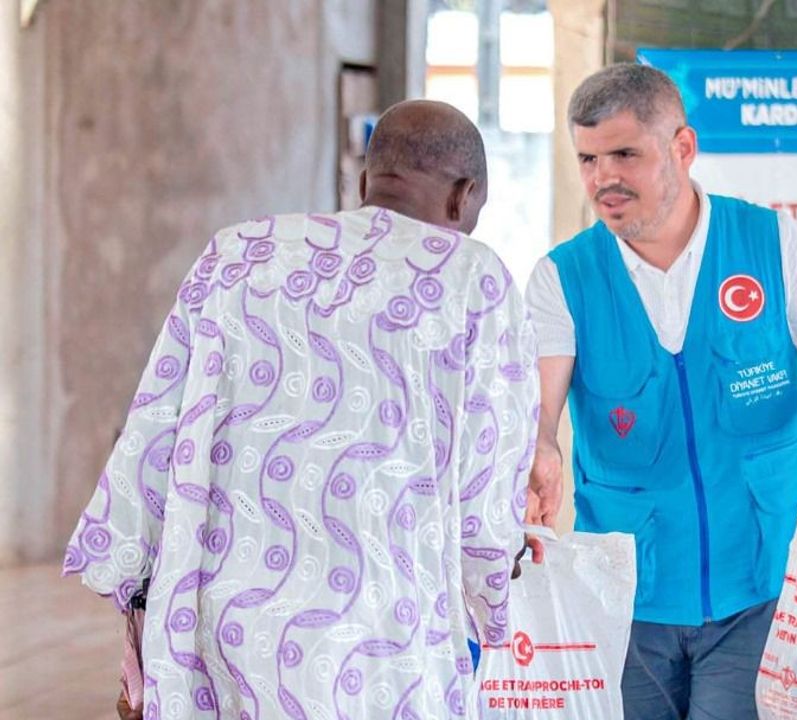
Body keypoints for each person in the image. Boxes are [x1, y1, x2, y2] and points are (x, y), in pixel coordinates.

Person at [63, 100, 540, 720]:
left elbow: (153, 430)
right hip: (382, 638)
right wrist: (494, 589)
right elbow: (487, 487)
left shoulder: (237, 253)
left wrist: (133, 602)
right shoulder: (474, 278)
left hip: (222, 621)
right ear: (463, 196)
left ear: (366, 184)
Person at [523, 64, 797, 719]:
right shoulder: (563, 278)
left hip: (761, 589)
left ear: (683, 147)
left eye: (624, 155)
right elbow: (539, 406)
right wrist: (539, 447)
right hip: (627, 600)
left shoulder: (772, 246)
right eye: (587, 159)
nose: (603, 179)